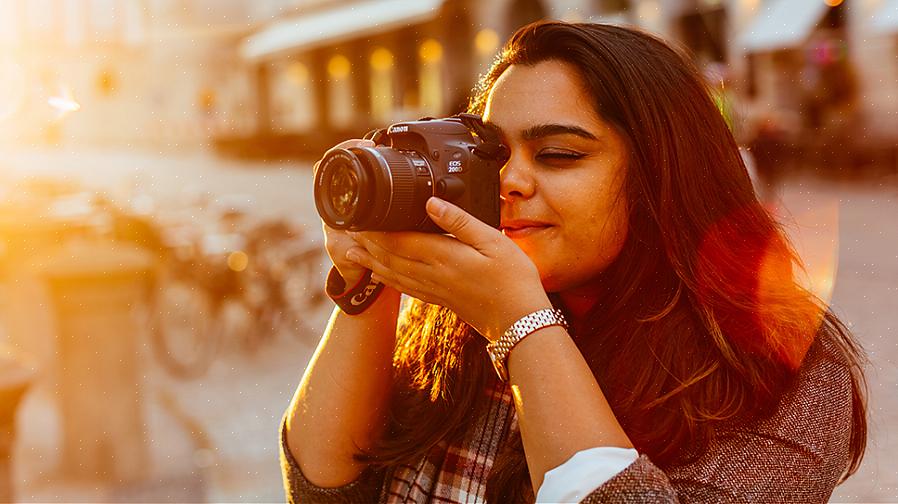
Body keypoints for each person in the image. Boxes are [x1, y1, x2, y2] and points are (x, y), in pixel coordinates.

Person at [280, 21, 867, 503]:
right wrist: (373, 280)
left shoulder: (778, 368)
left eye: (558, 155)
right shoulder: (457, 318)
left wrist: (521, 325)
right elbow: (323, 488)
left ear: (662, 177)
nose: (510, 182)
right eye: (492, 154)